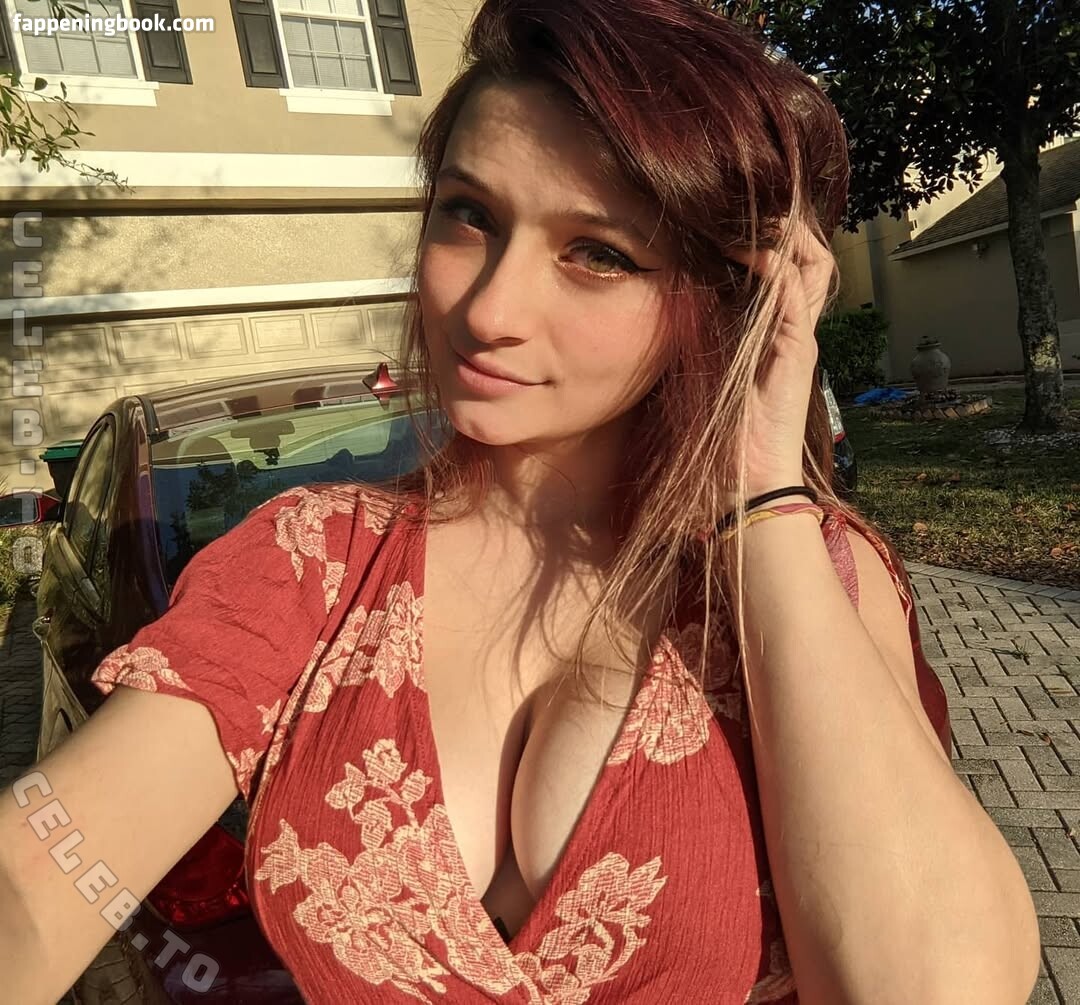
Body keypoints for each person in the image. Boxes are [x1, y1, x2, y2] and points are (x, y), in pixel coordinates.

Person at [0, 1, 1040, 1002]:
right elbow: (33, 887)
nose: (490, 307)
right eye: (470, 214)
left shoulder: (813, 573)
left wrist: (760, 488)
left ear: (723, 296)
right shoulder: (311, 565)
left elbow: (936, 986)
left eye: (598, 253)